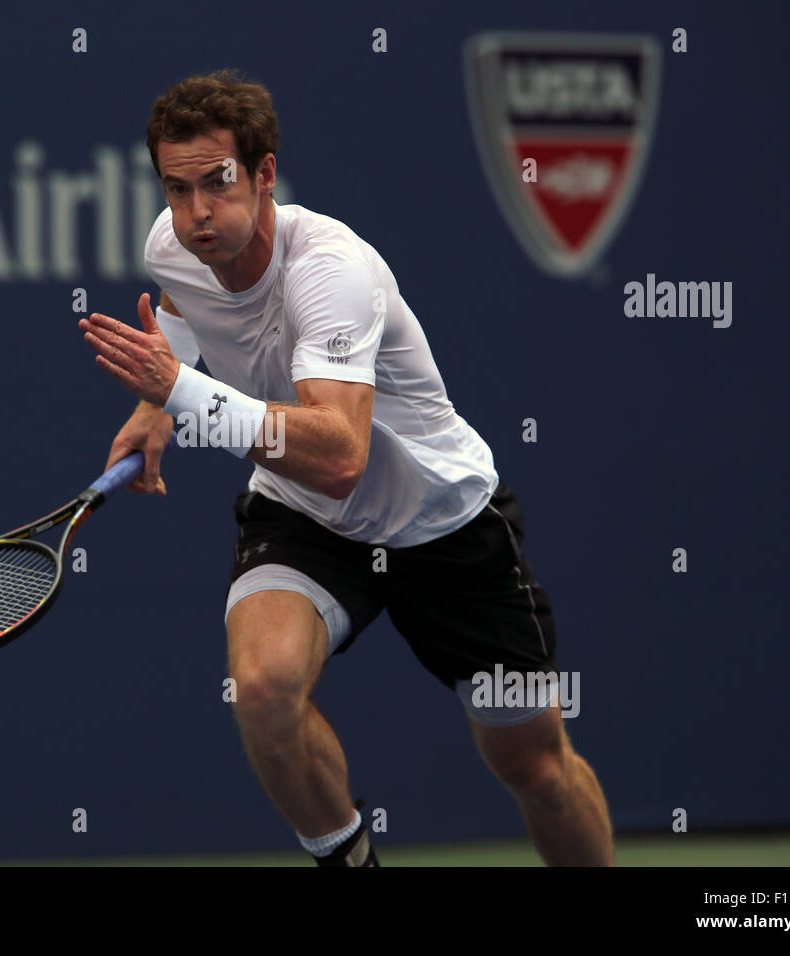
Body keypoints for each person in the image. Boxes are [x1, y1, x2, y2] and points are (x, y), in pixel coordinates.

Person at [79, 69, 613, 867]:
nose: (195, 214)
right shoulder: (174, 246)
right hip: (305, 520)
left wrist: (179, 393)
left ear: (263, 175)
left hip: (444, 523)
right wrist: (155, 412)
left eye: (218, 183)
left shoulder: (332, 270)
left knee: (533, 765)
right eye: (176, 188)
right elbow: (189, 317)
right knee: (262, 691)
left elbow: (338, 455)